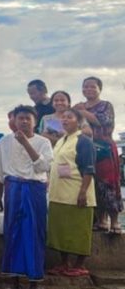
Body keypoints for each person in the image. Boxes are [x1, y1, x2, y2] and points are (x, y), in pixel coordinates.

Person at [0, 105, 52, 289]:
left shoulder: (43, 142)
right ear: (14, 121)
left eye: (28, 118)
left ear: (35, 122)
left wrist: (26, 143)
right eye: (20, 118)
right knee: (13, 232)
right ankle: (13, 278)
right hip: (13, 189)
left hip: (34, 189)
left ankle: (35, 280)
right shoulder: (4, 141)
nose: (24, 121)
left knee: (35, 232)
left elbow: (43, 167)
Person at [47, 108, 96, 277]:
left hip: (76, 193)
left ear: (79, 121)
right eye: (63, 117)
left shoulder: (84, 141)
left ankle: (80, 265)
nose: (65, 120)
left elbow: (89, 169)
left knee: (79, 230)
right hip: (59, 194)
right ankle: (64, 263)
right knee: (61, 231)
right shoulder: (61, 140)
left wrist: (83, 192)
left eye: (70, 117)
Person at [74, 76, 119, 233]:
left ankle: (114, 221)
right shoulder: (78, 106)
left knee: (109, 183)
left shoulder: (106, 105)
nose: (88, 89)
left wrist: (82, 112)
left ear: (100, 89)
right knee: (92, 183)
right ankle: (101, 220)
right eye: (85, 86)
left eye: (92, 86)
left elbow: (102, 121)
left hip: (104, 148)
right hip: (86, 148)